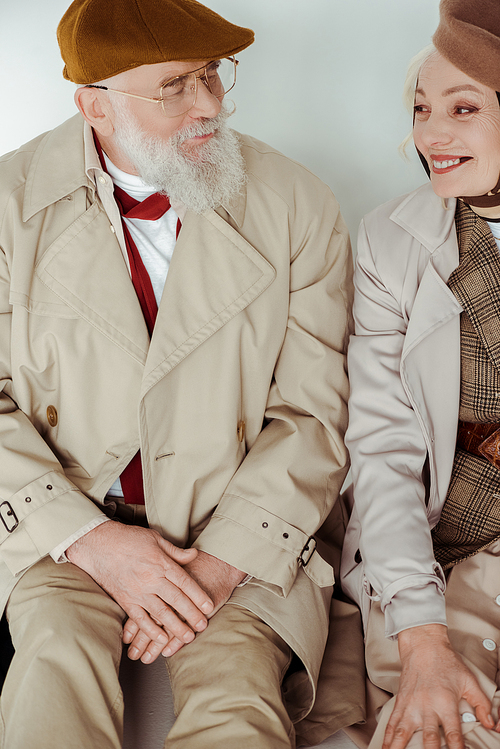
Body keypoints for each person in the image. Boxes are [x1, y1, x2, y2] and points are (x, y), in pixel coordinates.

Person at [0, 0, 365, 747]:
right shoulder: (7, 205)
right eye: (175, 86)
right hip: (65, 523)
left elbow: (313, 415)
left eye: (211, 76)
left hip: (238, 529)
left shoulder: (297, 202)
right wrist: (91, 539)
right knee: (53, 661)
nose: (209, 106)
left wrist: (221, 564)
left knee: (236, 695)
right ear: (94, 106)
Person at [341, 1, 500, 747]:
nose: (429, 134)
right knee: (444, 730)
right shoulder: (389, 242)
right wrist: (423, 637)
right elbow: (382, 449)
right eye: (421, 108)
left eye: (463, 107)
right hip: (443, 547)